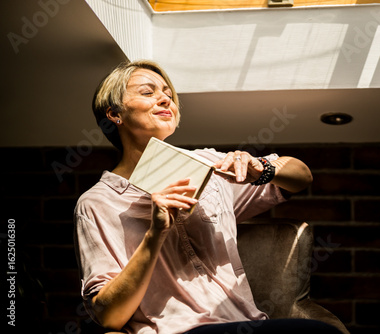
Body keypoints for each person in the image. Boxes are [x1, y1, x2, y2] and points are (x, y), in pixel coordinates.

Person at [74, 60, 345, 334]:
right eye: (148, 92)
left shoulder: (208, 163)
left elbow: (301, 177)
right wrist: (155, 234)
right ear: (114, 114)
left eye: (169, 94)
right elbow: (109, 316)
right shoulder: (97, 203)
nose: (165, 99)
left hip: (247, 324)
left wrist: (262, 170)